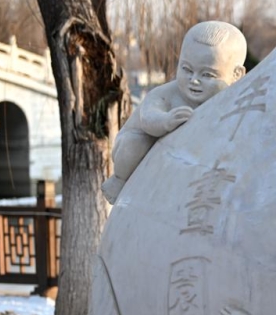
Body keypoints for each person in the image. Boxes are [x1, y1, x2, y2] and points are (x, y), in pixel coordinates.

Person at [101, 21, 248, 204]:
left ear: (237, 75)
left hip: (182, 166)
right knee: (135, 143)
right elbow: (147, 117)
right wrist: (166, 121)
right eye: (187, 69)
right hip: (137, 148)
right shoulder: (167, 94)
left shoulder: (230, 103)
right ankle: (119, 180)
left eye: (207, 75)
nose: (194, 80)